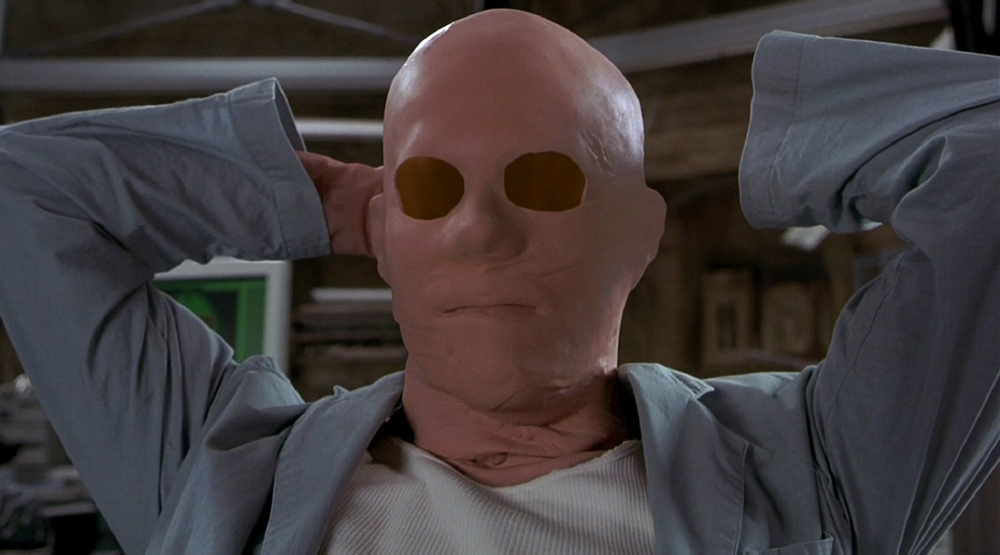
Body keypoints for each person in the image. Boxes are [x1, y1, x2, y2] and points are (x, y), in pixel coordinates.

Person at [0, 9, 996, 555]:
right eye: (432, 191)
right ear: (385, 237)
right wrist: (327, 201)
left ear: (639, 233)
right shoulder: (224, 478)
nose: (477, 231)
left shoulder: (816, 471)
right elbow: (24, 194)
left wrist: (771, 146)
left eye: (545, 183)